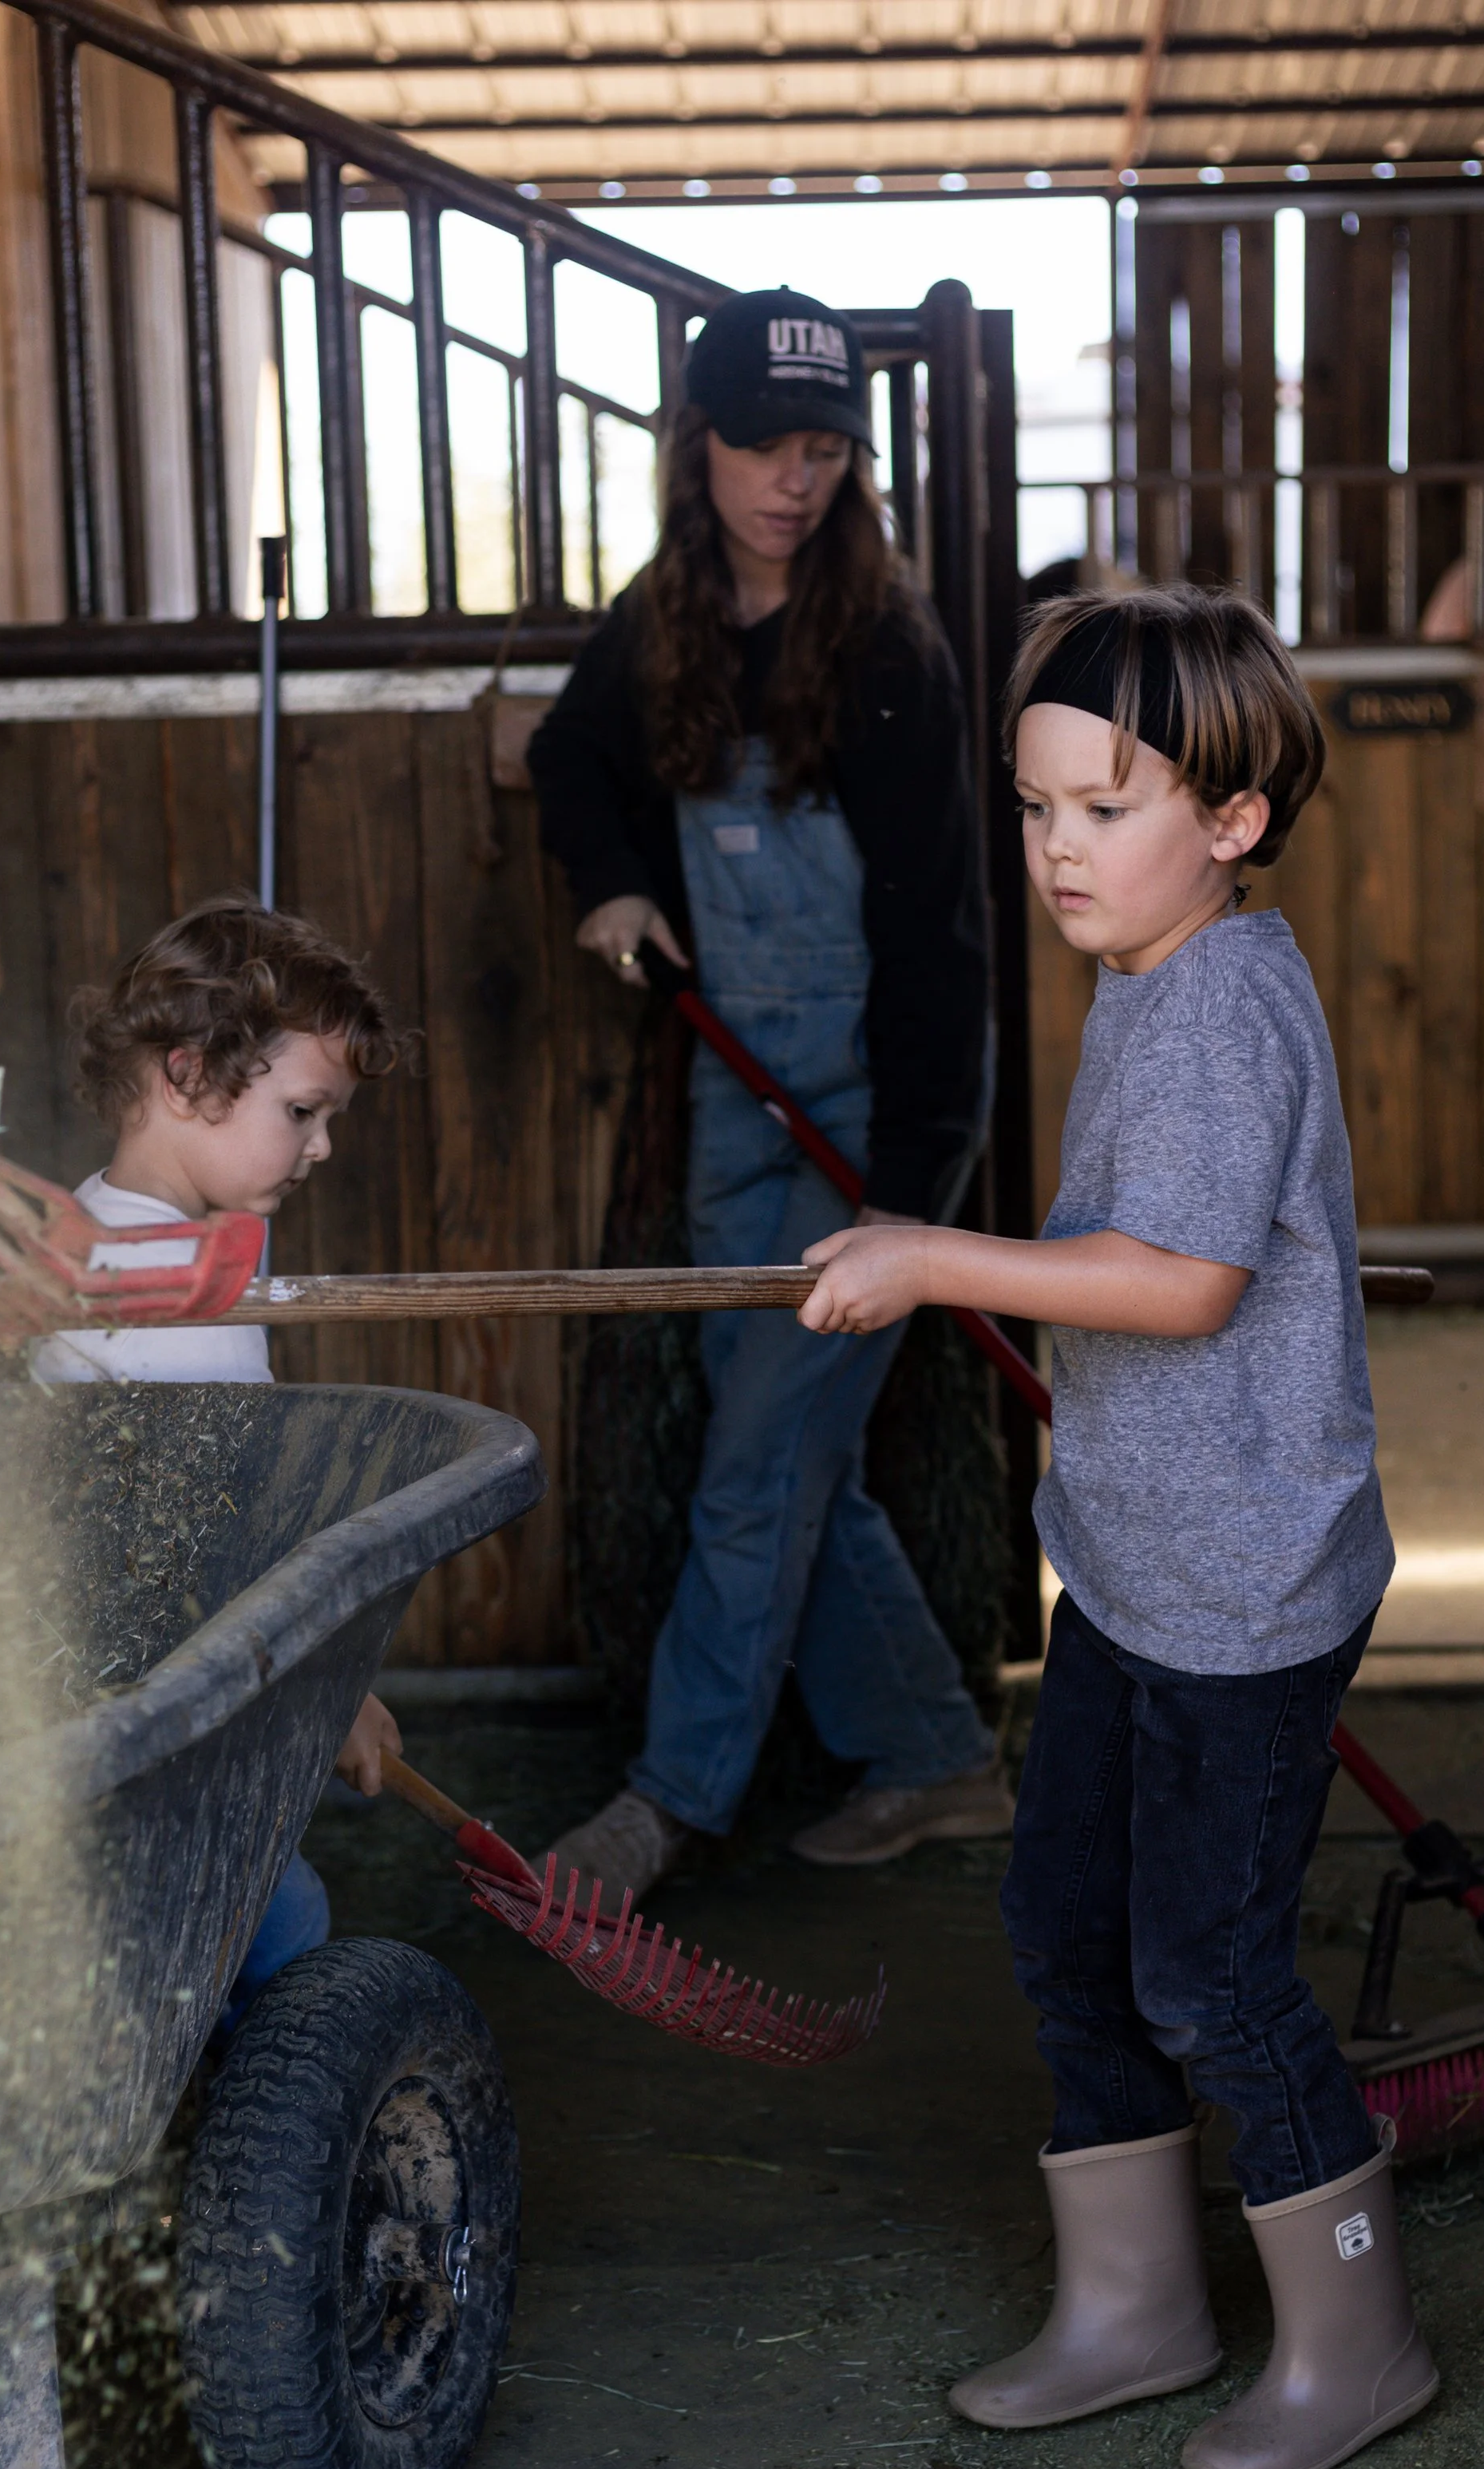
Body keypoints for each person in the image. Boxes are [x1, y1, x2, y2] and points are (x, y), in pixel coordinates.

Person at [798, 586, 1438, 2469]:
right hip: (1135, 1566)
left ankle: (1356, 2343)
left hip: (1244, 1590)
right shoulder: (1147, 974)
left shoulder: (1225, 1005)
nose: (1057, 848)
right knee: (1065, 1926)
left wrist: (928, 1258)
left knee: (1210, 1974)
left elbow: (1179, 1283)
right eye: (1033, 806)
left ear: (1230, 820)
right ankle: (1135, 2310)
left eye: (1103, 806)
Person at [528, 285, 1011, 1904]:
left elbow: (944, 933)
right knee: (794, 1459)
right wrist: (611, 887)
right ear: (701, 445)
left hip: (865, 1115)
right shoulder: (664, 616)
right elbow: (565, 758)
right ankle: (940, 1759)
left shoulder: (886, 647)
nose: (789, 481)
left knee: (752, 1465)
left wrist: (910, 1188)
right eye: (759, 444)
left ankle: (666, 1802)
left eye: (821, 450)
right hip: (741, 1098)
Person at [30, 896, 405, 2012]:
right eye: (303, 1109)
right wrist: (333, 1691)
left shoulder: (132, 1237)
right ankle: (249, 2153)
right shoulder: (156, 1299)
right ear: (187, 1079)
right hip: (140, 1716)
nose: (324, 1144)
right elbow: (218, 1540)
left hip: (129, 1697)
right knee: (282, 1924)